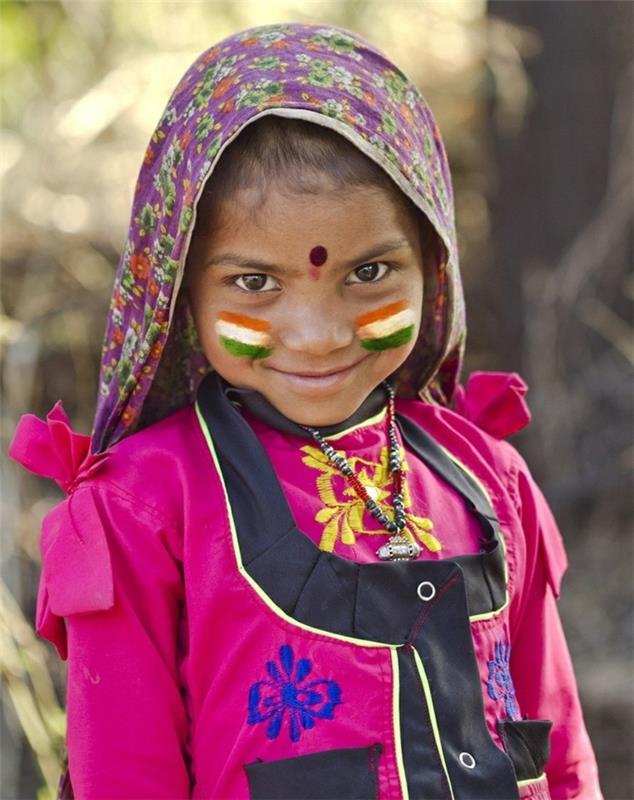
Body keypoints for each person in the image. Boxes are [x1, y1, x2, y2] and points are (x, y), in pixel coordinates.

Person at [9, 22, 602, 800]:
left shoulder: (489, 481)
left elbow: (564, 763)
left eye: (370, 271)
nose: (319, 336)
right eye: (256, 283)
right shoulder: (143, 509)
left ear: (434, 263)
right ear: (180, 292)